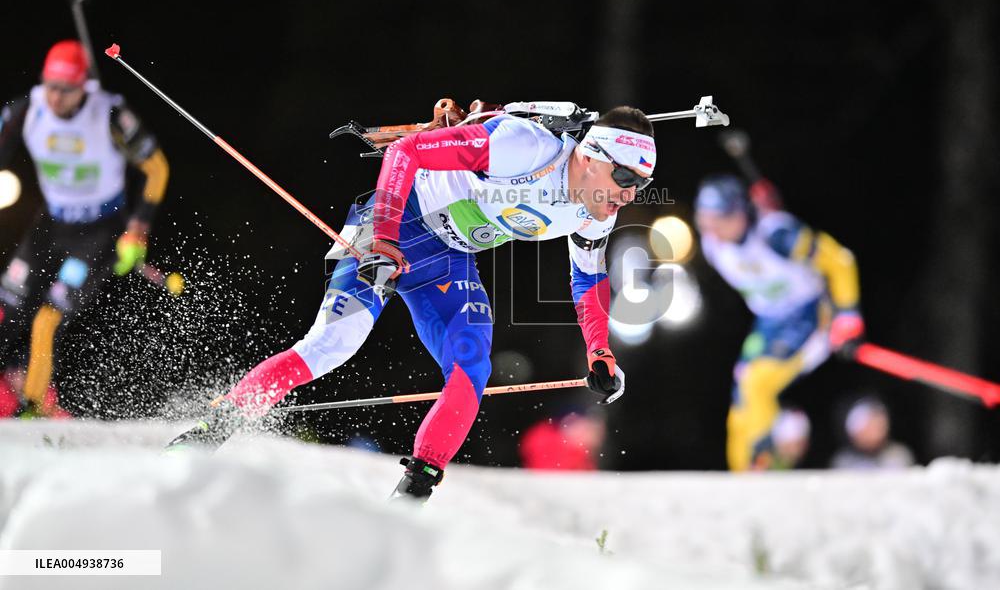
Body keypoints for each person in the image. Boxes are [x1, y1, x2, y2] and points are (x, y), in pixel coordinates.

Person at [167, 106, 656, 501]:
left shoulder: (594, 209)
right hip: (396, 227)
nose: (628, 195)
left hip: (448, 260)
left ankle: (412, 495)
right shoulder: (522, 147)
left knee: (471, 364)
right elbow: (404, 153)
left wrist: (600, 350)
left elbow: (588, 278)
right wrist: (382, 239)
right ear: (592, 156)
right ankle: (212, 430)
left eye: (640, 186)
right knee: (332, 345)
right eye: (624, 178)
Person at [0, 40, 169, 416]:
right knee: (5, 308)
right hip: (51, 223)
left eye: (66, 89)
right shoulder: (26, 109)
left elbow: (156, 168)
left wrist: (137, 228)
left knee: (47, 320)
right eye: (50, 86)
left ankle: (32, 410)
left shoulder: (109, 113)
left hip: (98, 233)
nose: (56, 97)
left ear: (83, 86)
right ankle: (12, 391)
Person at [693, 174, 864, 471]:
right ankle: (744, 476)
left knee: (758, 383)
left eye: (719, 220)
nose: (711, 230)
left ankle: (766, 462)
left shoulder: (779, 235)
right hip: (770, 321)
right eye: (704, 221)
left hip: (809, 315)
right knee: (742, 398)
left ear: (739, 214)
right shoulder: (712, 245)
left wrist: (848, 314)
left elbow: (840, 261)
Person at [830, 396, 914, 470]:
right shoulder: (843, 461)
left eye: (878, 425)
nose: (875, 432)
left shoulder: (899, 456)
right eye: (868, 426)